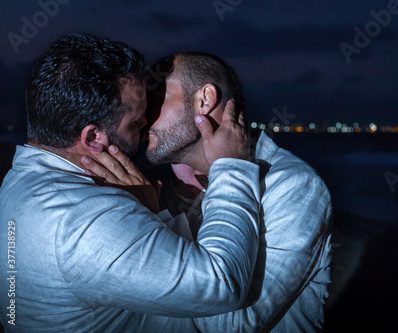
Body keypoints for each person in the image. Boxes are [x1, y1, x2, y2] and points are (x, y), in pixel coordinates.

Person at [0, 34, 262, 332]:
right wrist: (231, 165)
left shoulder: (17, 181)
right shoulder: (88, 217)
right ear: (92, 138)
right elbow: (223, 284)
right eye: (135, 124)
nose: (146, 129)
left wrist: (145, 220)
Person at [88, 52, 334, 332]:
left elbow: (228, 324)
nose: (141, 118)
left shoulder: (294, 187)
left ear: (204, 100)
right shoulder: (174, 188)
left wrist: (153, 220)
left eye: (154, 101)